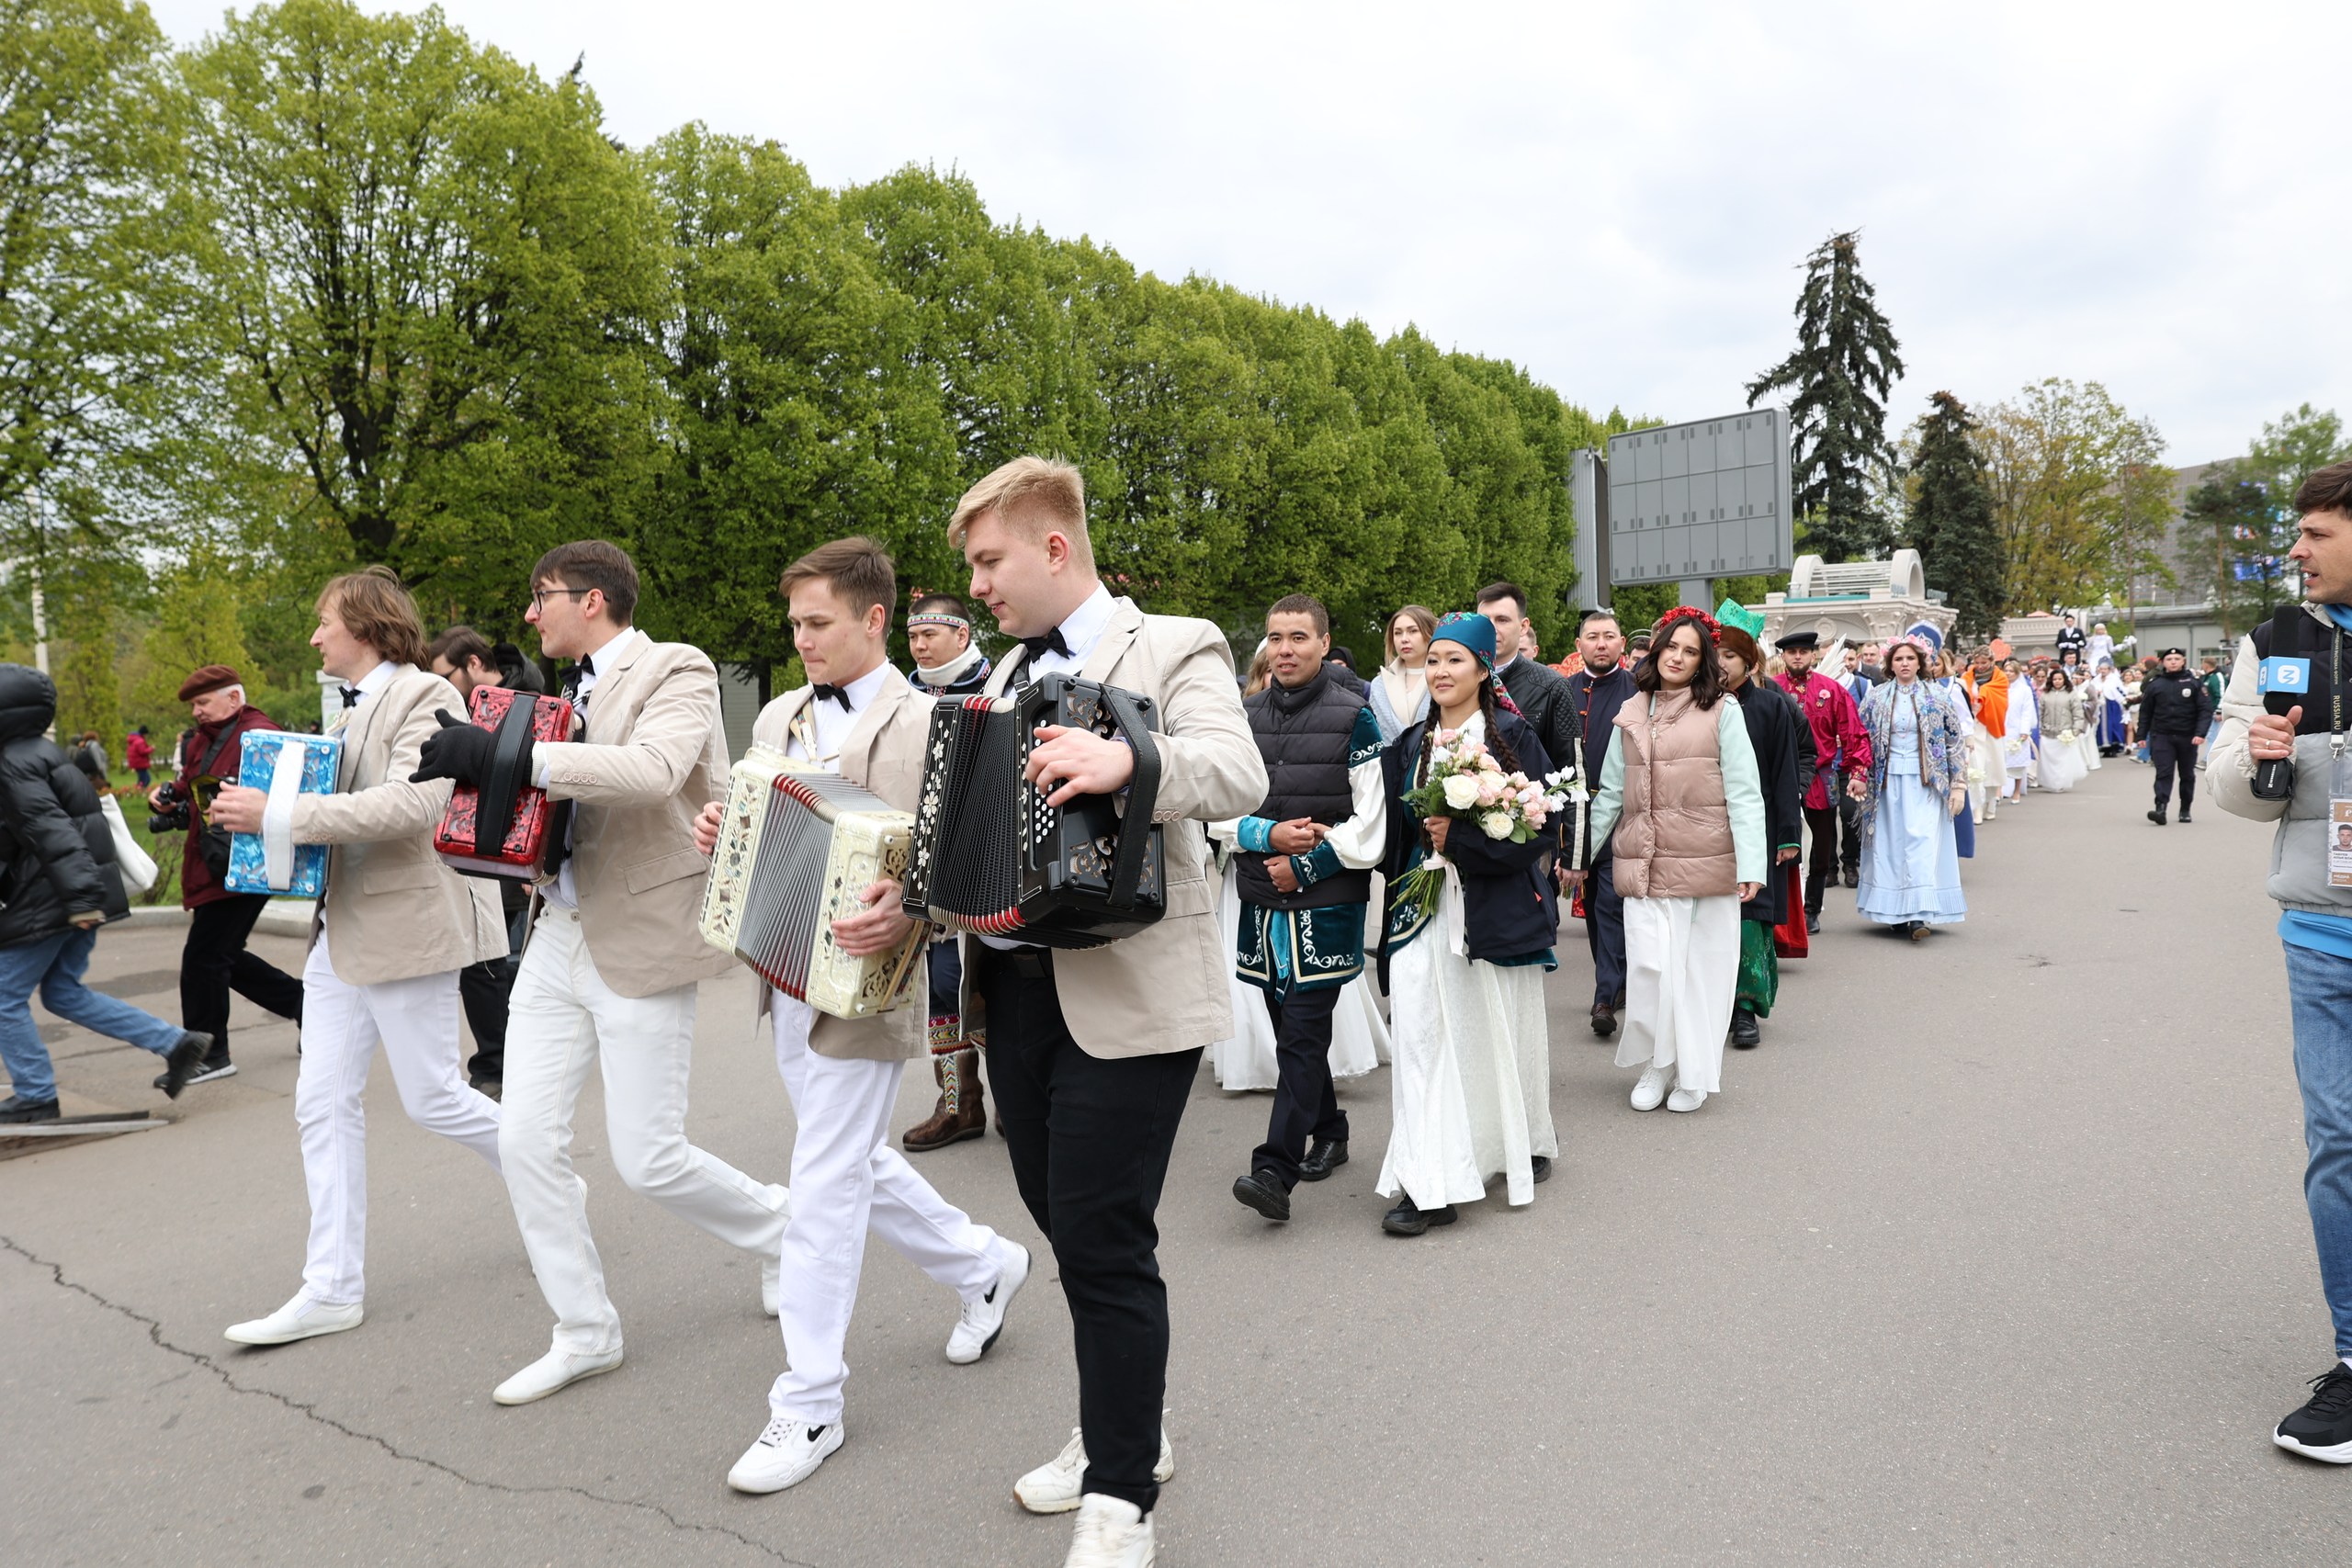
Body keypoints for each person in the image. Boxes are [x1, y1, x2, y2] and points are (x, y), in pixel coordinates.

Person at [946, 457, 1264, 1564]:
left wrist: (1129, 756)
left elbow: (1235, 771)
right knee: (1065, 1224)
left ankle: (1121, 1493)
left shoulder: (1173, 643)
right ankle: (1127, 1421)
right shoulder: (990, 679)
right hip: (1019, 991)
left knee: (1102, 1235)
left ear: (1051, 546)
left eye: (988, 561)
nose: (976, 585)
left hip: (1131, 992)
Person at [412, 539, 794, 1408]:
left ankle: (779, 1228)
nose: (528, 614)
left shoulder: (677, 667)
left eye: (540, 595)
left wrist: (515, 760)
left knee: (649, 1158)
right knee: (521, 1139)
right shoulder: (555, 692)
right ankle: (585, 1330)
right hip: (558, 927)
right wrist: (484, 787)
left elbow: (656, 772)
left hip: (645, 930)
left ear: (591, 600)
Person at [686, 539, 1028, 1495]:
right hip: (784, 968)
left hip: (874, 985)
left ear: (876, 620)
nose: (801, 641)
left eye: (818, 623)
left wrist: (910, 903)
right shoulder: (783, 712)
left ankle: (809, 1404)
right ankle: (982, 1263)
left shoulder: (931, 721)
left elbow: (975, 859)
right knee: (850, 1160)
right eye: (794, 623)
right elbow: (751, 815)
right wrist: (718, 829)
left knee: (824, 1178)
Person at [207, 568, 509, 1346]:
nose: (314, 635)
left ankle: (544, 1169)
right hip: (339, 933)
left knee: (434, 1097)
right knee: (320, 1101)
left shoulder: (425, 696)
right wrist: (252, 824)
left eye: (323, 622)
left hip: (406, 926)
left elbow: (418, 803)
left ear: (368, 626)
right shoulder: (347, 712)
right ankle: (332, 1286)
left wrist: (280, 812)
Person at [2209, 458, 2352, 1463]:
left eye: (2315, 533)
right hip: (2322, 935)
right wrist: (2259, 758)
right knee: (2339, 1144)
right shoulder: (2275, 642)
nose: (2294, 551)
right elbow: (2231, 782)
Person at [1374, 613, 1560, 1232]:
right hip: (1419, 915)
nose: (1441, 671)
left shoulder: (1512, 735)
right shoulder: (1408, 745)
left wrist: (1464, 840)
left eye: (1455, 659)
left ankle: (1500, 1141)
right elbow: (1393, 843)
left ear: (1484, 667)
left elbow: (1539, 833)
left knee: (1485, 1037)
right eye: (1432, 660)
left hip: (1488, 913)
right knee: (1421, 1039)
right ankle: (1431, 1181)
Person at [1222, 594, 1386, 1225]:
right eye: (1275, 638)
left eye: (1298, 636)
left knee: (1300, 1032)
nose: (1285, 648)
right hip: (1261, 894)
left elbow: (1369, 828)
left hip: (1326, 899)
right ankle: (1332, 1128)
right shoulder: (1243, 716)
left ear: (1323, 642)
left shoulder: (1358, 717)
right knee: (1287, 1023)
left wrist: (1309, 862)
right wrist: (1267, 838)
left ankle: (1274, 1168)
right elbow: (1216, 815)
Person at [0, 666, 212, 1122]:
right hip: (74, 894)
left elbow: (52, 831)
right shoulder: (43, 753)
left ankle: (35, 1094)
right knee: (61, 992)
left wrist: (79, 899)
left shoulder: (13, 764)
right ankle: (176, 1043)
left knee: (2, 997)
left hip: (56, 898)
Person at [1589, 610, 1764, 1114]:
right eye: (1671, 647)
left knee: (1697, 974)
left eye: (1690, 651)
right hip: (1641, 863)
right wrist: (1577, 856)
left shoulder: (1722, 711)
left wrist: (1751, 864)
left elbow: (1746, 793)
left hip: (1704, 865)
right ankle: (1658, 1063)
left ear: (1702, 660)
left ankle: (1693, 1072)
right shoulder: (1631, 712)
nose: (1678, 657)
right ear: (1656, 650)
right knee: (1649, 970)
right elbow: (1610, 797)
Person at [147, 665, 305, 1087]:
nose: (196, 711)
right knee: (223, 956)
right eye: (195, 705)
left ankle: (210, 1053)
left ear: (233, 699)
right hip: (217, 861)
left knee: (204, 957)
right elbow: (189, 784)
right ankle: (306, 1006)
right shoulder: (207, 737)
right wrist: (167, 796)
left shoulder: (261, 734)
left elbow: (281, 795)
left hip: (246, 864)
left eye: (203, 702)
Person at [901, 592, 996, 1152]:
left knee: (993, 983)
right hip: (925, 860)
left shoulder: (1000, 683)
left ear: (961, 635)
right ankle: (960, 1103)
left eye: (928, 635)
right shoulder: (901, 695)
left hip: (989, 859)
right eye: (912, 636)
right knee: (940, 984)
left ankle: (1015, 1094)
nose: (917, 645)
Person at [425, 624, 526, 1098]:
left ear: (471, 665)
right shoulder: (468, 707)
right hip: (480, 851)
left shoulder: (531, 700)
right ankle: (497, 1061)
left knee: (501, 963)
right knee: (487, 963)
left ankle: (504, 1063)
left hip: (521, 856)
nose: (440, 687)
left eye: (445, 675)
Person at [1714, 609, 1803, 1049]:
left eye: (1731, 655)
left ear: (1749, 662)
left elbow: (1786, 772)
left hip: (1758, 829)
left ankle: (1745, 1009)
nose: (1722, 663)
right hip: (1705, 831)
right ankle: (1711, 1004)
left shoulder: (1772, 706)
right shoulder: (1696, 705)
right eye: (1715, 654)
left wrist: (1787, 835)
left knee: (1750, 920)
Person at [1853, 637, 1970, 942]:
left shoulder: (1938, 697)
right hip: (1886, 783)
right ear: (1890, 665)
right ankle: (1894, 910)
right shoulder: (1876, 698)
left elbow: (1954, 742)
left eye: (1909, 658)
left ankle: (1919, 913)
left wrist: (1958, 785)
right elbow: (1861, 741)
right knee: (1890, 847)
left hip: (1926, 783)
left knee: (1920, 843)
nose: (1904, 663)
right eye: (1898, 659)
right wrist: (1860, 775)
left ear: (1920, 663)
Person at [1567, 608, 1635, 1035]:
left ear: (1622, 644)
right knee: (1593, 907)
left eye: (1609, 636)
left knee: (1610, 903)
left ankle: (1604, 997)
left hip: (1622, 814)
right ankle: (1614, 981)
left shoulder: (1637, 690)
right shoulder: (1564, 689)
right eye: (1592, 636)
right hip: (1574, 814)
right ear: (1579, 646)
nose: (1601, 643)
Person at [1773, 630, 1869, 934]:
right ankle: (1780, 908)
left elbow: (1854, 732)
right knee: (1779, 844)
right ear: (1783, 657)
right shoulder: (1770, 690)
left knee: (1820, 849)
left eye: (1803, 651)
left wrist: (1857, 772)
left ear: (1814, 655)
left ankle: (1812, 909)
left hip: (1820, 776)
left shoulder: (1831, 690)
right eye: (1792, 652)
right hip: (1780, 777)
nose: (1798, 656)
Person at [1478, 582, 1582, 803]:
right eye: (1484, 621)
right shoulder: (1457, 681)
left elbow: (1571, 776)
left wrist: (1568, 837)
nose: (1492, 628)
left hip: (1533, 822)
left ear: (1524, 626)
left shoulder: (1552, 686)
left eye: (1502, 620)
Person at [2140, 647, 2212, 825]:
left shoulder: (2194, 683)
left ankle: (2185, 809)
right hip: (2162, 736)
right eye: (2169, 659)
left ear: (2183, 661)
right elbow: (2145, 712)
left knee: (2187, 775)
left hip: (2188, 737)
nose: (2173, 662)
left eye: (2176, 659)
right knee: (2163, 773)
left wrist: (2200, 733)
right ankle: (2160, 808)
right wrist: (2141, 736)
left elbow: (2205, 709)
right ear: (2163, 663)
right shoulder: (2155, 684)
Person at [1368, 604, 1435, 743]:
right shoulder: (1379, 685)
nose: (1404, 639)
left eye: (1413, 631)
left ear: (1429, 633)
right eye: (1398, 633)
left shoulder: (1444, 678)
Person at [2034, 669, 2089, 794]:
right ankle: (2051, 783)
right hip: (2048, 733)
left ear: (2064, 680)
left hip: (2065, 733)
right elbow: (2040, 713)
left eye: (2059, 679)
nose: (2057, 681)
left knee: (2062, 761)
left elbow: (2078, 713)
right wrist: (2040, 729)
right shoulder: (2045, 694)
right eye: (2054, 679)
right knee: (2049, 761)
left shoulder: (2071, 694)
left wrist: (2076, 730)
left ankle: (2060, 783)